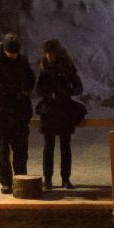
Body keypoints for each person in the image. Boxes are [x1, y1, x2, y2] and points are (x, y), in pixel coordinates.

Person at [0, 33, 35, 194]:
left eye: (15, 53)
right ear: (4, 49)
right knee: (3, 150)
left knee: (21, 149)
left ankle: (21, 178)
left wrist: (26, 90)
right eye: (11, 53)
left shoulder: (22, 61)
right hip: (1, 110)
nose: (13, 56)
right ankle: (6, 183)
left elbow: (31, 78)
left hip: (20, 110)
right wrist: (2, 90)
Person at [35, 38, 86, 190]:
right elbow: (38, 90)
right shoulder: (44, 67)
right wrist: (50, 94)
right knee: (48, 147)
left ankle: (65, 178)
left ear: (56, 52)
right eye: (46, 53)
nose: (48, 56)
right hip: (49, 110)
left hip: (64, 109)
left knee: (65, 146)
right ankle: (48, 179)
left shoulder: (67, 66)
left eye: (50, 53)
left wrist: (64, 91)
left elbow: (78, 87)